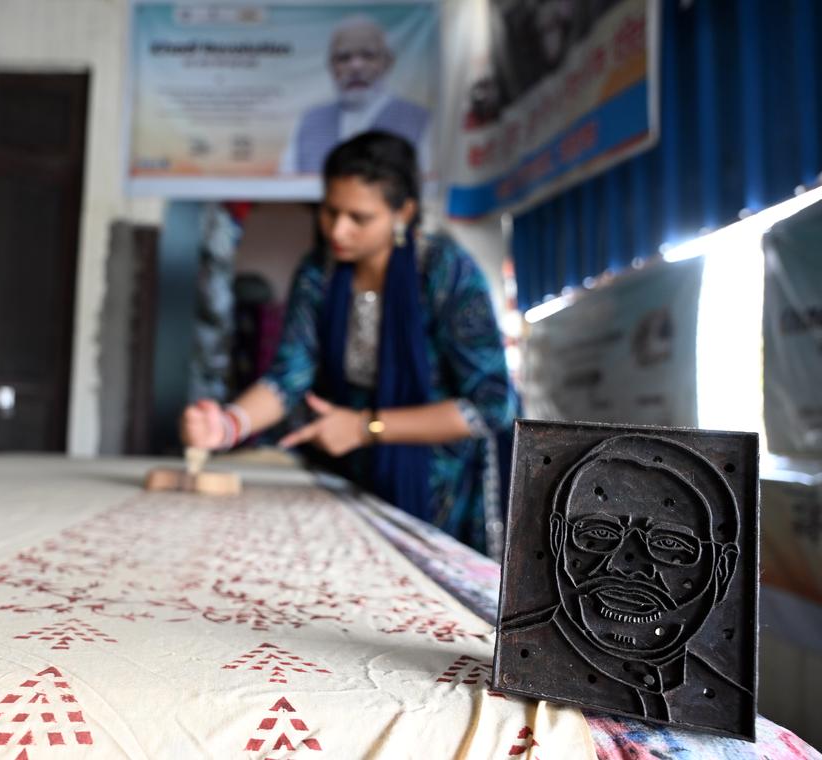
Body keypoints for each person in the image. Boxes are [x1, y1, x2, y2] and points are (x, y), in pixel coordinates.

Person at [185, 131, 516, 555]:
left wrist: (365, 427)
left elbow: (490, 407)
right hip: (348, 469)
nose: (338, 230)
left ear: (403, 213)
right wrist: (228, 425)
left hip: (439, 485)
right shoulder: (319, 272)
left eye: (359, 218)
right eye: (329, 212)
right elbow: (291, 375)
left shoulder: (445, 272)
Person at [498, 433, 749, 733]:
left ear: (722, 568)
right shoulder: (518, 659)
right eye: (600, 533)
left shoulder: (726, 702)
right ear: (557, 539)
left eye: (669, 543)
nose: (624, 565)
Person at [280, 15, 430, 177]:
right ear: (332, 66)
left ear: (388, 62)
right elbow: (287, 183)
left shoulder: (419, 120)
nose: (356, 67)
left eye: (368, 55)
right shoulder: (309, 121)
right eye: (344, 58)